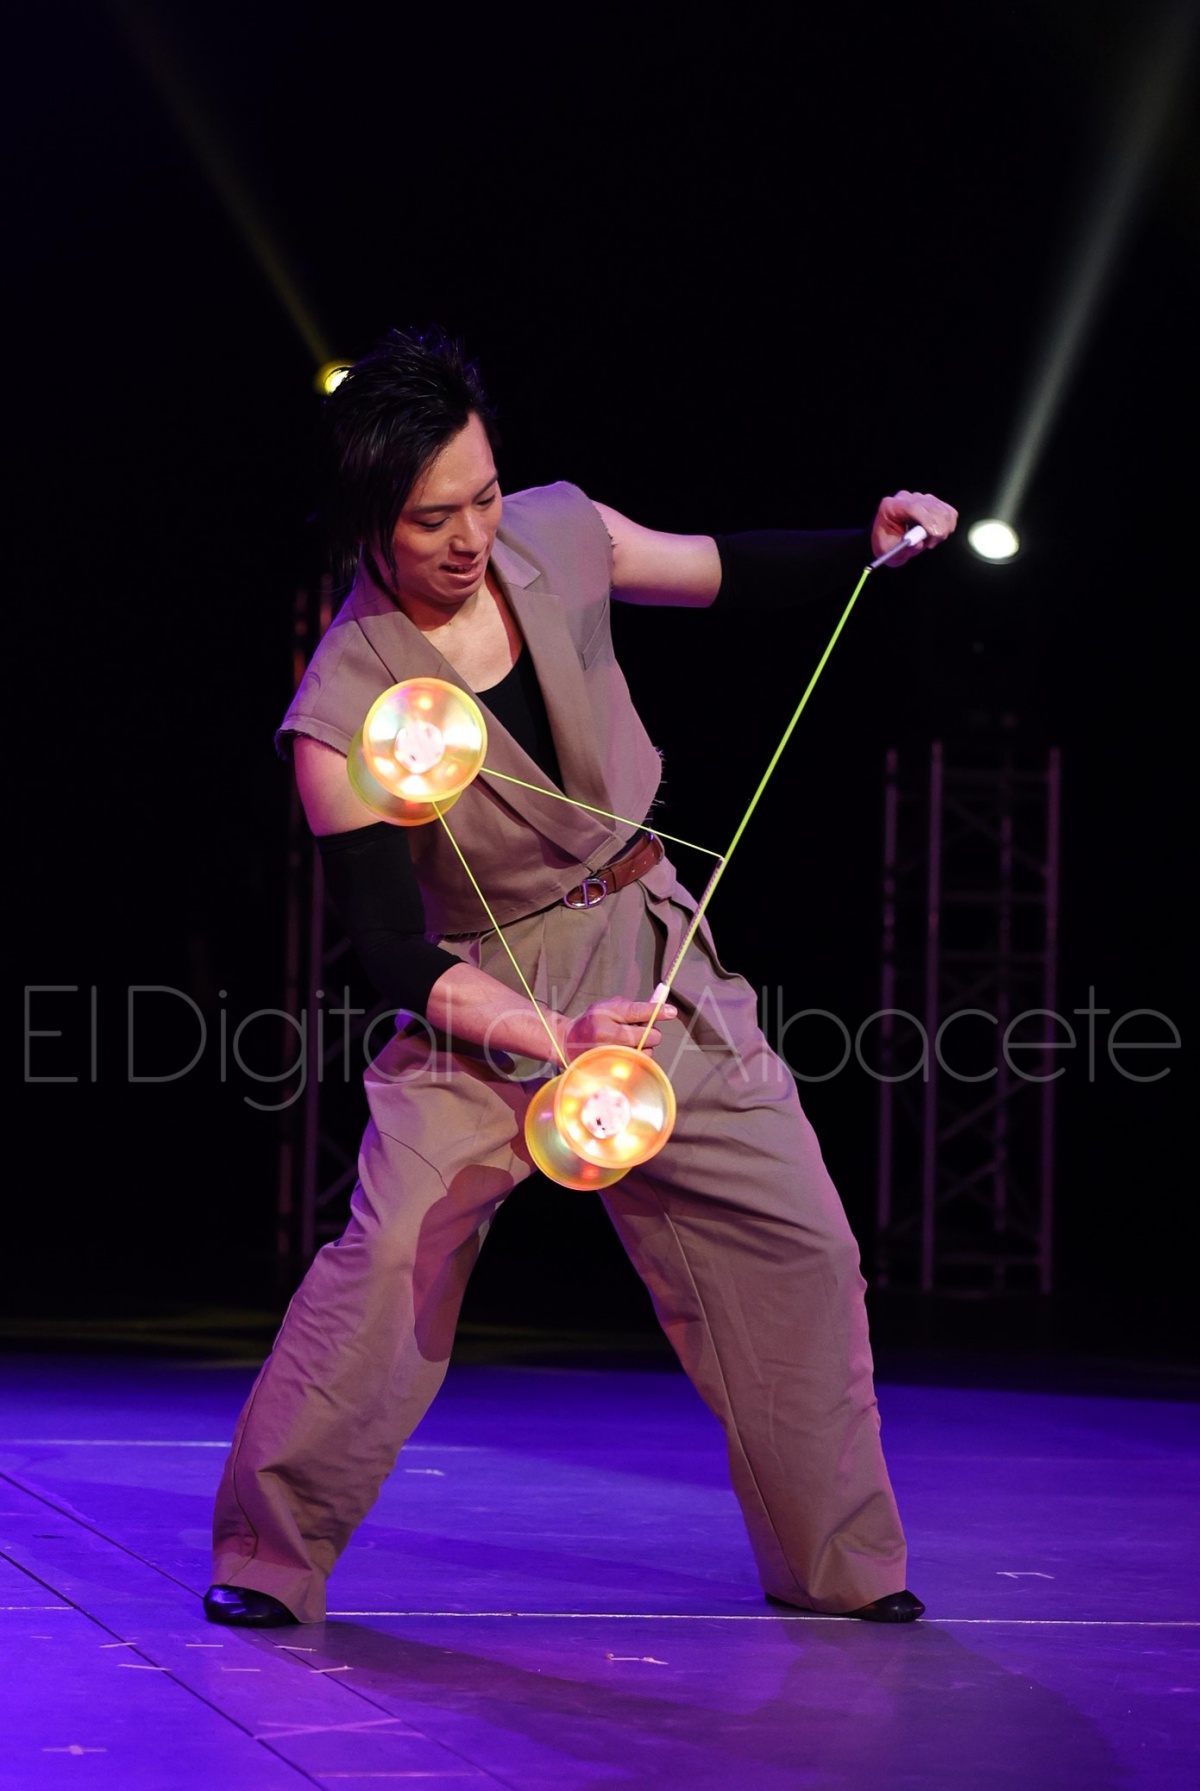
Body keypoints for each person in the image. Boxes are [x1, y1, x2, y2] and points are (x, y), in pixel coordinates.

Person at [205, 327, 957, 1629]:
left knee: (801, 1238)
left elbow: (722, 571)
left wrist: (868, 545)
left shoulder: (558, 532)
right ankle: (268, 1556)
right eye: (431, 518)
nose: (470, 537)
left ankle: (838, 1563)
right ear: (369, 517)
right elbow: (391, 953)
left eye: (483, 495)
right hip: (481, 986)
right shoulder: (344, 709)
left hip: (650, 944)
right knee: (392, 1255)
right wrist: (552, 1036)